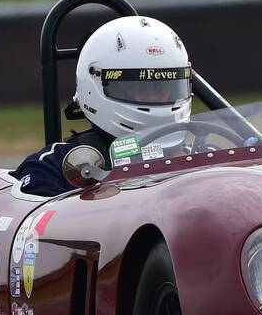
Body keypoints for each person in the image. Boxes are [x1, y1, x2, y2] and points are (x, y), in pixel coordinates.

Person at [13, 16, 193, 196]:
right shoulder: (52, 168)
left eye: (163, 87)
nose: (155, 97)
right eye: (139, 87)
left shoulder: (205, 155)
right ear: (94, 85)